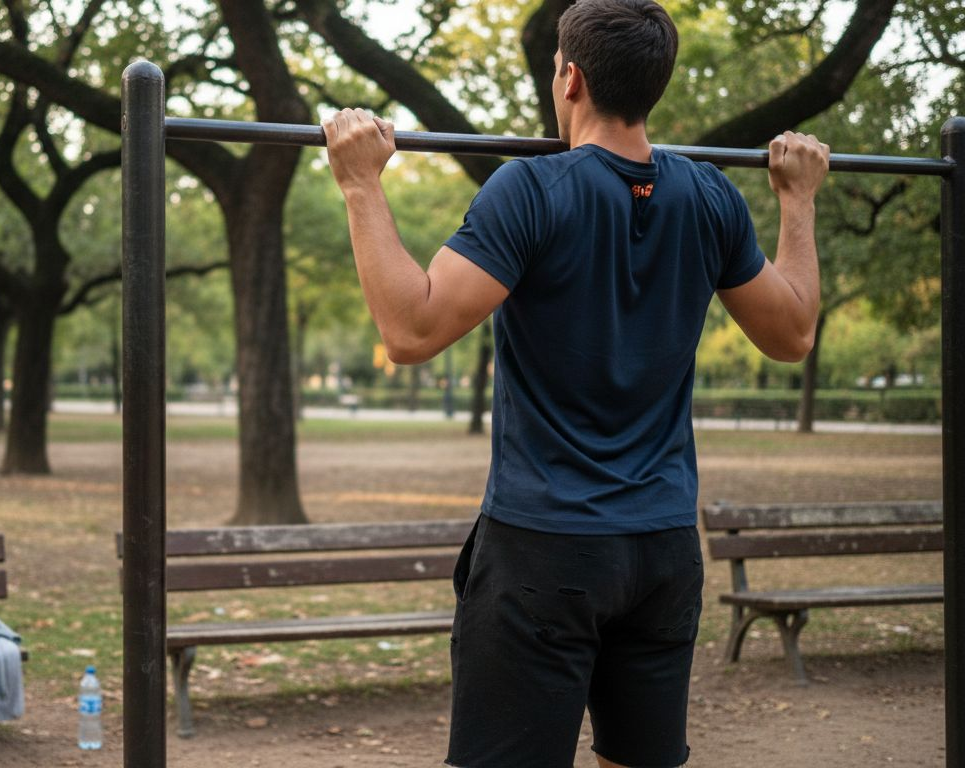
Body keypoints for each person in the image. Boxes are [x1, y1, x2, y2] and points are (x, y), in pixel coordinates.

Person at [321, 0, 829, 765]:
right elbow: (793, 334)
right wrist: (798, 202)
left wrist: (361, 184)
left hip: (543, 553)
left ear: (570, 79)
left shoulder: (530, 191)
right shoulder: (711, 198)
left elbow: (411, 330)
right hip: (661, 550)